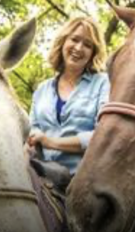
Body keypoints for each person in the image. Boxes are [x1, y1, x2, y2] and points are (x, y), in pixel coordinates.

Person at [28, 16, 109, 174]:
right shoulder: (42, 90)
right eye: (74, 39)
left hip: (84, 178)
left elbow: (104, 134)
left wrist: (51, 142)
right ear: (63, 42)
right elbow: (32, 131)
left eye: (87, 45)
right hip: (42, 176)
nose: (78, 48)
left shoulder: (103, 83)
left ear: (93, 53)